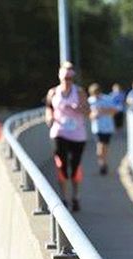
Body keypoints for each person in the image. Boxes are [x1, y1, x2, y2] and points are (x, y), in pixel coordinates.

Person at [44, 61, 90, 212]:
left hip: (77, 134)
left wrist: (79, 108)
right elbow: (49, 109)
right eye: (65, 78)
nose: (67, 81)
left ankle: (75, 197)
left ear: (73, 78)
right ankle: (64, 198)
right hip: (59, 132)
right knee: (62, 165)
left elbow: (88, 112)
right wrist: (49, 118)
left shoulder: (80, 92)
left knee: (74, 166)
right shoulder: (53, 92)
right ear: (60, 76)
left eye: (70, 78)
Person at [87, 83, 119, 175]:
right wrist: (93, 115)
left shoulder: (107, 99)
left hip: (108, 128)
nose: (95, 96)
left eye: (97, 93)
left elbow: (115, 111)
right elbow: (88, 115)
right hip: (97, 128)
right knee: (100, 147)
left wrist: (103, 111)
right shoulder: (90, 101)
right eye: (93, 94)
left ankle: (104, 163)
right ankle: (102, 165)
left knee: (105, 147)